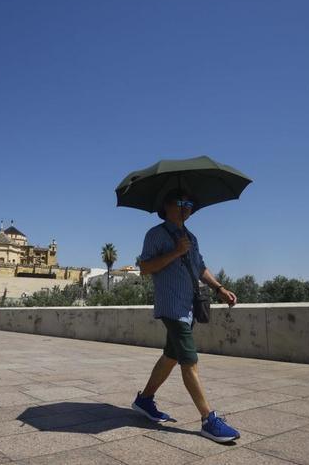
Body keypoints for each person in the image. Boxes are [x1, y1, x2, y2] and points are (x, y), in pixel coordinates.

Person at [131, 188, 240, 443]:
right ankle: (208, 419)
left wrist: (220, 288)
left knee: (171, 356)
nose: (186, 206)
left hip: (189, 306)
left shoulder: (191, 236)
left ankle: (144, 400)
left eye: (189, 202)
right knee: (189, 360)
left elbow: (200, 267)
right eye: (180, 202)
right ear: (166, 206)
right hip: (172, 307)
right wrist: (176, 251)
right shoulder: (155, 235)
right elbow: (145, 268)